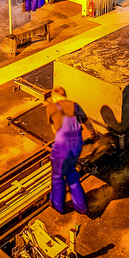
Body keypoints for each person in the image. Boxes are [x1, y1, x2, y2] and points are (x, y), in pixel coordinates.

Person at [46, 86, 97, 214]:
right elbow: (87, 123)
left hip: (63, 146)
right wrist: (92, 134)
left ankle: (59, 206)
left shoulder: (51, 108)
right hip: (77, 144)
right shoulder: (75, 106)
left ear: (54, 97)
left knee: (59, 177)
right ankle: (81, 207)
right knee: (71, 173)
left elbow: (54, 129)